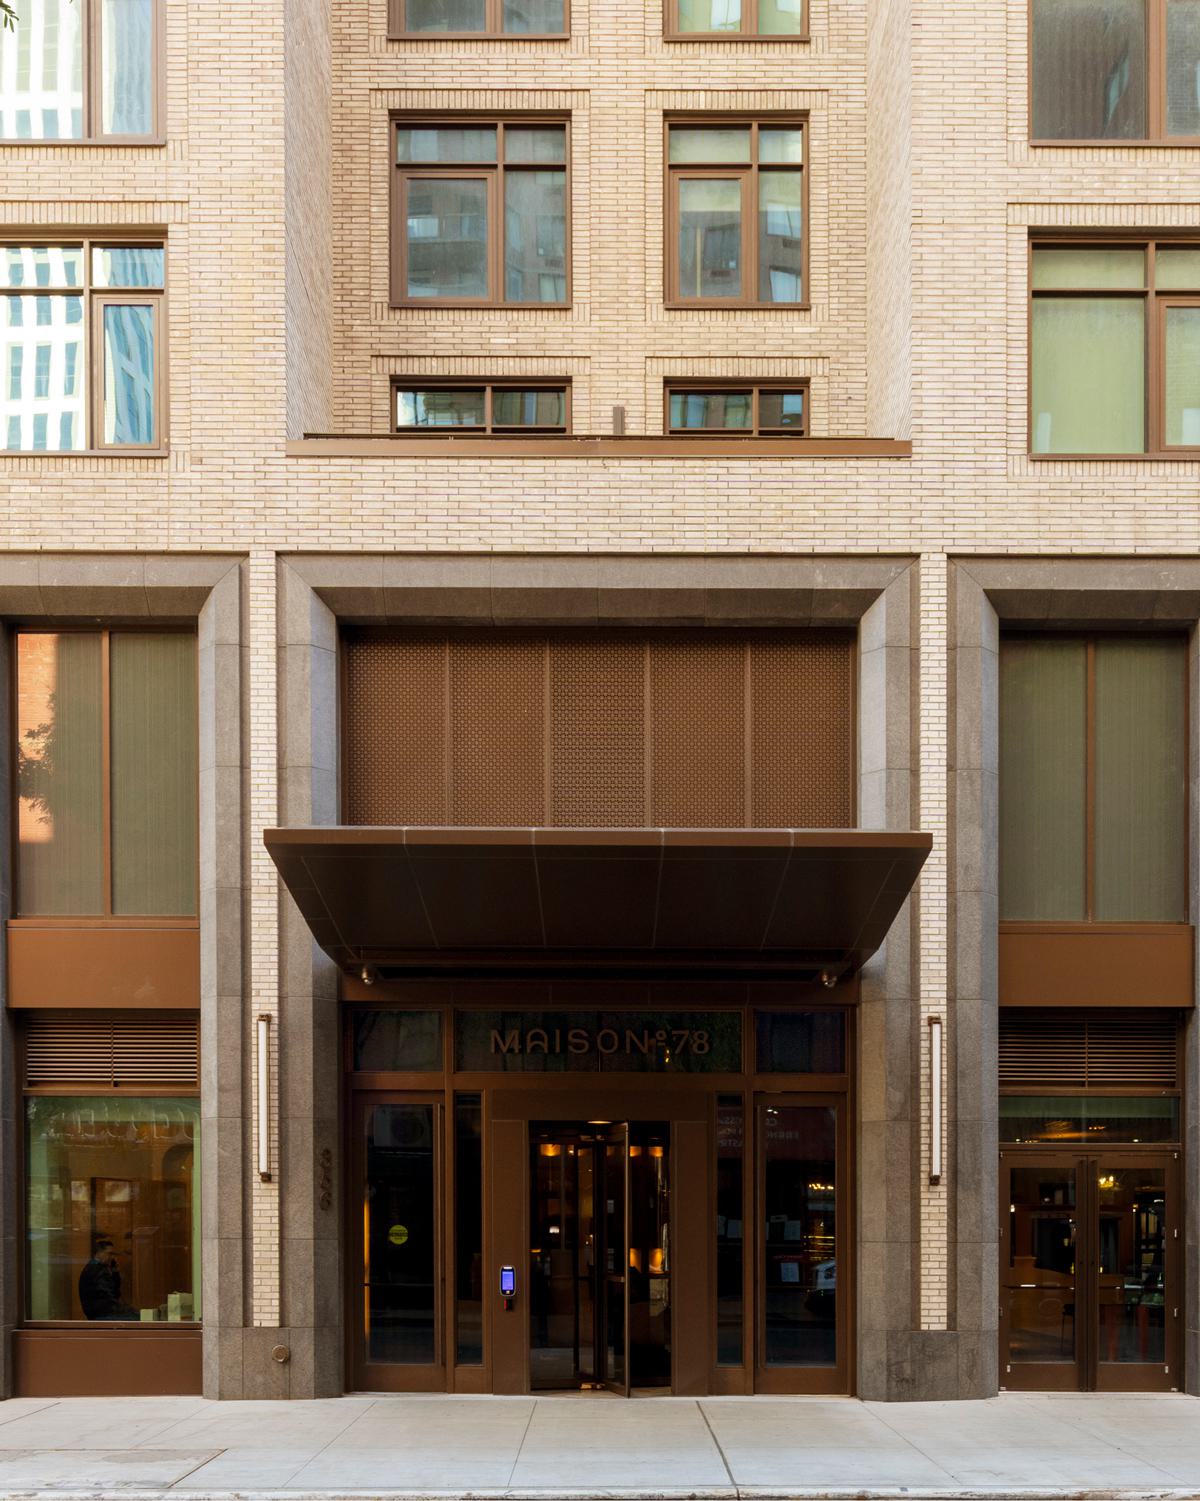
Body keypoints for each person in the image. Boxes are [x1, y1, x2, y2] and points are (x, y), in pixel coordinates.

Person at [78, 1235, 136, 1321]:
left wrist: (115, 1272)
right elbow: (109, 1296)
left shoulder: (94, 1267)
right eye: (110, 1254)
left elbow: (113, 1292)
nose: (112, 1258)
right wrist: (126, 1310)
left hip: (99, 1312)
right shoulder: (97, 1270)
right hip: (102, 1314)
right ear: (99, 1253)